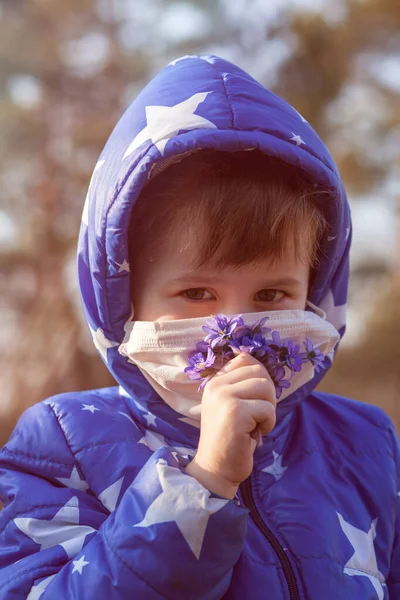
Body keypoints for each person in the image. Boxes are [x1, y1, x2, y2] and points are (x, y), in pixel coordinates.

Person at [0, 54, 398, 600]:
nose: (235, 331)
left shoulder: (366, 444)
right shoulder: (63, 445)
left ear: (316, 293)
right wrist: (201, 485)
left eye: (272, 295)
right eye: (196, 293)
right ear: (124, 299)